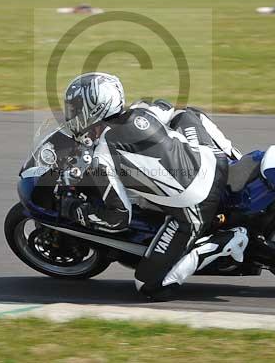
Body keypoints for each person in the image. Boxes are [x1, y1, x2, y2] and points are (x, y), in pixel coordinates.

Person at [61, 72, 249, 298]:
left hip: (196, 203)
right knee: (188, 114)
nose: (70, 113)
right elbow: (166, 107)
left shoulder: (102, 156)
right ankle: (237, 158)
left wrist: (77, 211)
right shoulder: (141, 110)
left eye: (74, 108)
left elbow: (119, 218)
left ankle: (222, 243)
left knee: (149, 286)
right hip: (213, 160)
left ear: (94, 108)